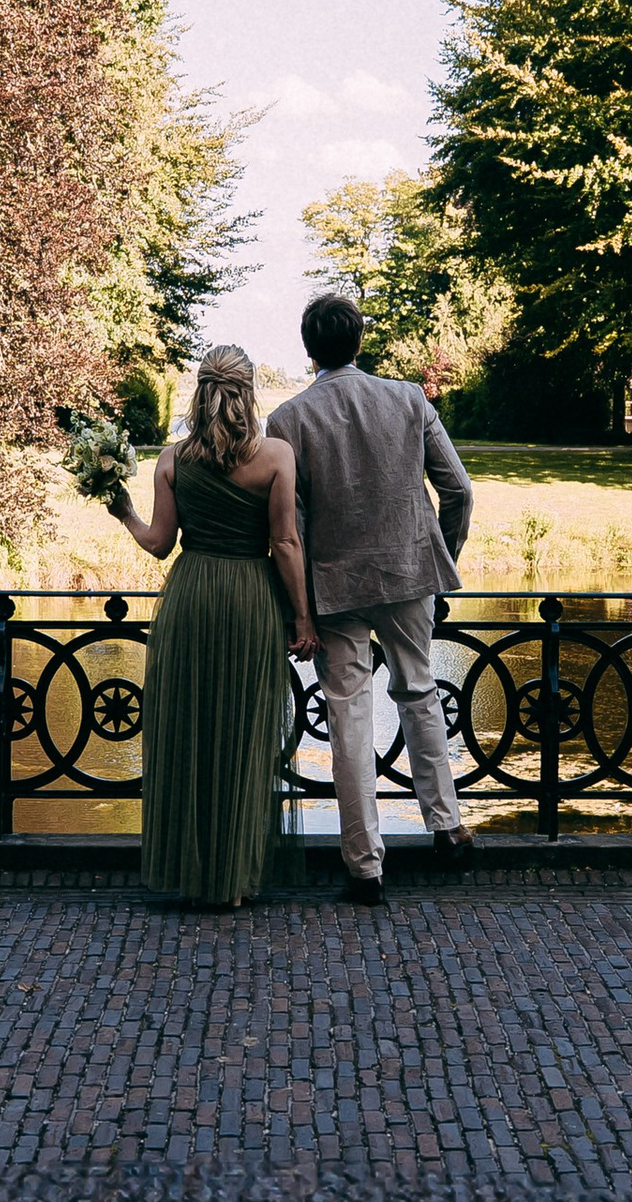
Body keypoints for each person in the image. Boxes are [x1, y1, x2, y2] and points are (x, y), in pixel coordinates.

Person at [266, 292, 474, 906]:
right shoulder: (410, 399)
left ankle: (363, 865)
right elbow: (458, 490)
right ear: (359, 342)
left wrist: (297, 605)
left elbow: (289, 528)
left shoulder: (290, 419)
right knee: (420, 693)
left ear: (309, 351)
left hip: (333, 587)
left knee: (348, 718)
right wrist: (442, 559)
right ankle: (448, 829)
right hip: (409, 575)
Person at [109, 346, 317, 909]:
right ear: (248, 392)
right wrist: (302, 617)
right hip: (251, 597)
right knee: (244, 738)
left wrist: (123, 509)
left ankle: (193, 873)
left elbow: (157, 544)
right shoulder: (275, 456)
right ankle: (234, 879)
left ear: (199, 393)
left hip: (192, 597)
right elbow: (285, 542)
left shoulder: (173, 460)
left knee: (192, 735)